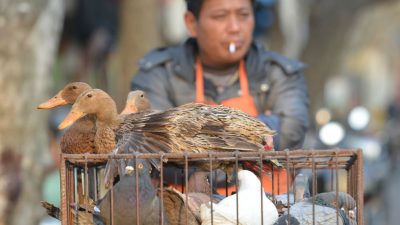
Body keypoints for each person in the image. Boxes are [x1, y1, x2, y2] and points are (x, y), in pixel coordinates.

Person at [131, 0, 309, 194]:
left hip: (270, 211)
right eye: (220, 16)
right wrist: (259, 130)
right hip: (183, 211)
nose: (234, 28)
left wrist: (195, 140)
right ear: (191, 23)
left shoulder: (280, 73)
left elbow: (290, 132)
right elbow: (157, 143)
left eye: (243, 15)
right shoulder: (158, 74)